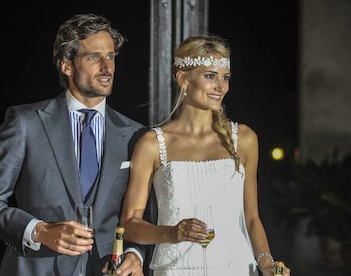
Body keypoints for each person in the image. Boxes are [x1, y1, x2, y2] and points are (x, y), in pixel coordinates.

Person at [0, 13, 146, 276]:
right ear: (66, 65)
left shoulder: (135, 134)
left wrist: (136, 254)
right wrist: (40, 231)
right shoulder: (25, 123)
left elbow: (144, 214)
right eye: (94, 57)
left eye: (110, 56)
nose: (107, 67)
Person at [119, 35, 291, 276]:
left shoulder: (244, 139)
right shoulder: (152, 144)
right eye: (210, 76)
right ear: (183, 79)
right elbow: (129, 225)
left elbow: (252, 219)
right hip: (176, 270)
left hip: (235, 268)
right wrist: (171, 232)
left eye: (225, 77)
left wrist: (267, 264)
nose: (221, 86)